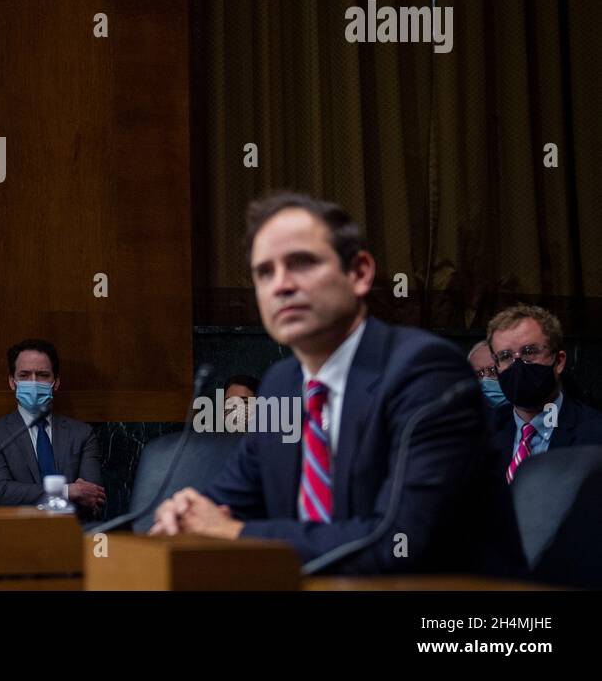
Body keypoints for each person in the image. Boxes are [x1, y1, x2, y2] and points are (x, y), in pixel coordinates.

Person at [150, 191, 522, 575]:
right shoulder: (281, 384)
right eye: (265, 272)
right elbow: (228, 500)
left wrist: (234, 532)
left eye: (301, 263)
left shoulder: (424, 371)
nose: (281, 285)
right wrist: (184, 515)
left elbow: (396, 542)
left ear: (359, 273)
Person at [0, 339, 106, 518]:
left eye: (43, 375)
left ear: (56, 382)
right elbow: (0, 492)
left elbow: (93, 497)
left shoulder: (82, 433)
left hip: (72, 533)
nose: (34, 382)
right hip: (17, 533)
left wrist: (29, 495)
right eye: (24, 375)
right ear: (12, 382)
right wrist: (68, 491)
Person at [486, 304, 602, 483]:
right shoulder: (482, 433)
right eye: (506, 356)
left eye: (529, 352)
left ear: (559, 362)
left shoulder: (594, 434)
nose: (517, 365)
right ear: (496, 366)